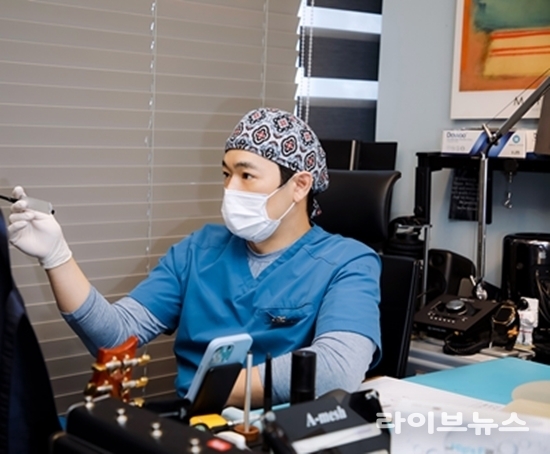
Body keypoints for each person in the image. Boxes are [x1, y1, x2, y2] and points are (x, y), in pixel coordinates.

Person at [8, 107, 381, 407]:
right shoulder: (199, 250)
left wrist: (211, 389)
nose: (230, 189)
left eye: (246, 176)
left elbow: (338, 369)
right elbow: (118, 336)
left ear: (299, 185)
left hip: (279, 435)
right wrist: (57, 256)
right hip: (197, 428)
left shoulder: (348, 263)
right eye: (226, 174)